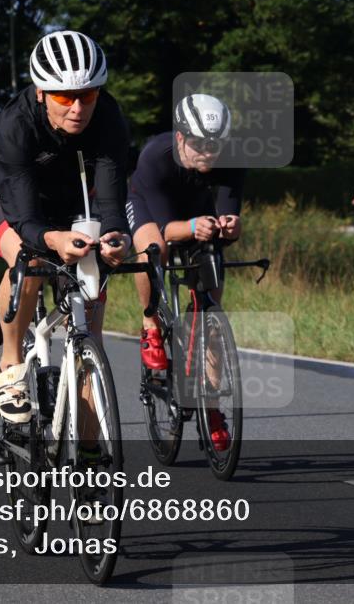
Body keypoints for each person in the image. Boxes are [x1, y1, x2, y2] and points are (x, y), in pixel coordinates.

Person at [0, 30, 131, 426]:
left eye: (88, 95)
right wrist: (54, 239)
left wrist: (115, 236)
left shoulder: (109, 117)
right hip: (7, 202)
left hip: (71, 208)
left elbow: (111, 201)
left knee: (90, 331)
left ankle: (92, 466)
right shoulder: (17, 122)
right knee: (29, 263)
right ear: (42, 92)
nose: (77, 108)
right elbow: (26, 219)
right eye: (64, 97)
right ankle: (10, 368)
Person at [125, 93, 243, 451]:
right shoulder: (157, 157)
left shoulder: (233, 158)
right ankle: (150, 325)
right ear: (180, 139)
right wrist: (193, 225)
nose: (209, 151)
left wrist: (230, 225)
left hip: (196, 212)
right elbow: (165, 230)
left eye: (216, 144)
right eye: (199, 143)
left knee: (210, 313)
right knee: (153, 251)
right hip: (151, 207)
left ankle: (211, 409)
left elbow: (230, 216)